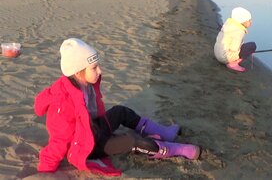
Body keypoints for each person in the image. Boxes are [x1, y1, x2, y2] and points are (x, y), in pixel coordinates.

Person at [34, 38, 200, 176]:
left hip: (94, 128)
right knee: (131, 141)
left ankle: (163, 133)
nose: (99, 71)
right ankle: (173, 149)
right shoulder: (62, 103)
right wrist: (46, 167)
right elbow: (59, 138)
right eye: (94, 68)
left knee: (121, 112)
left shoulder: (85, 83)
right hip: (86, 146)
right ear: (77, 72)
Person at [214, 7, 257, 72]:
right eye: (249, 20)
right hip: (225, 57)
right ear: (242, 21)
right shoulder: (239, 31)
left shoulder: (229, 24)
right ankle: (233, 64)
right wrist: (245, 51)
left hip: (217, 53)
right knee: (252, 46)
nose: (251, 22)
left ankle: (228, 59)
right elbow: (235, 48)